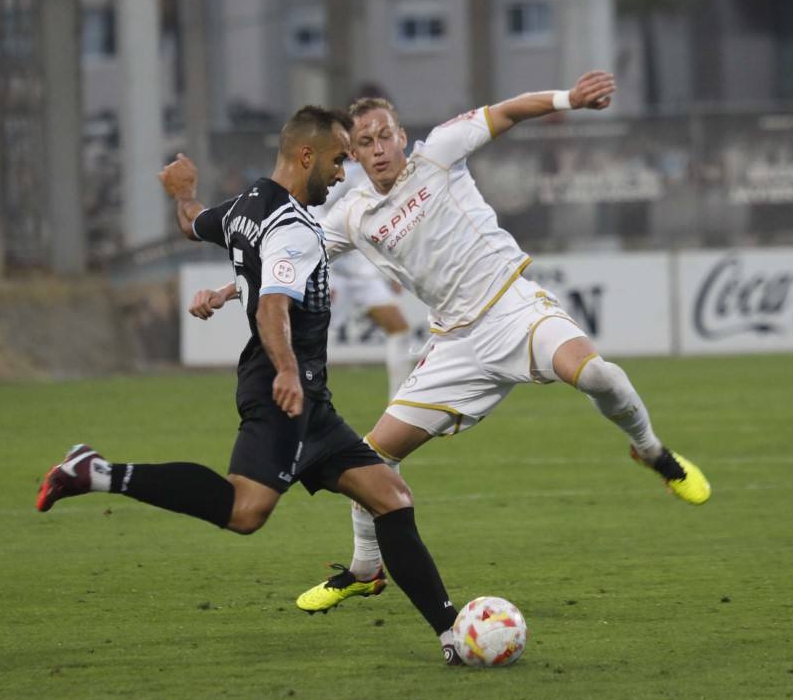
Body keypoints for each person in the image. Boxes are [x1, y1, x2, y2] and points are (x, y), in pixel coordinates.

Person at [37, 106, 465, 664]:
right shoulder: (292, 228)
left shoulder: (244, 208)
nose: (343, 174)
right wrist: (286, 369)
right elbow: (271, 308)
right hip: (282, 387)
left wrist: (183, 195)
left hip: (308, 396)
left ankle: (453, 634)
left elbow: (193, 222)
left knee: (391, 496)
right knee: (245, 511)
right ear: (305, 156)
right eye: (338, 160)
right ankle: (94, 472)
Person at [287, 70, 711, 612]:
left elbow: (508, 111)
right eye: (364, 143)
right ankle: (366, 570)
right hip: (455, 345)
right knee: (370, 459)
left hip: (513, 308)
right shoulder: (351, 214)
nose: (378, 149)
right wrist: (231, 288)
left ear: (401, 134)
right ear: (352, 154)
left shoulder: (438, 152)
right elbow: (292, 257)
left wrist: (568, 100)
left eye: (385, 135)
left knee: (599, 375)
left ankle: (651, 451)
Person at [317, 158, 417, 400]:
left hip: (363, 272)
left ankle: (399, 400)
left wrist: (389, 269)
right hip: (331, 267)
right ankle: (288, 390)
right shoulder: (345, 173)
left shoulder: (377, 175)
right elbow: (317, 206)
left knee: (399, 327)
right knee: (307, 333)